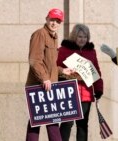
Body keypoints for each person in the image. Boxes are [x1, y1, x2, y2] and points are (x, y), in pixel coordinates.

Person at [25, 8, 73, 141]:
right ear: (47, 18)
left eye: (58, 21)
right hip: (39, 85)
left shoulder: (54, 37)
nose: (54, 23)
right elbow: (34, 60)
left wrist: (62, 71)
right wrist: (45, 78)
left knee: (42, 121)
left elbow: (49, 65)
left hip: (49, 86)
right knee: (43, 122)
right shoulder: (40, 34)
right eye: (52, 20)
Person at [57, 23, 104, 141]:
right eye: (80, 36)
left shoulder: (91, 52)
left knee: (82, 125)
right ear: (74, 36)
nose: (82, 39)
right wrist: (64, 72)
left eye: (85, 37)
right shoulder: (63, 50)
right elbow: (54, 67)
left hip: (85, 95)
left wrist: (98, 89)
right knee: (67, 124)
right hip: (68, 93)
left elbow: (96, 72)